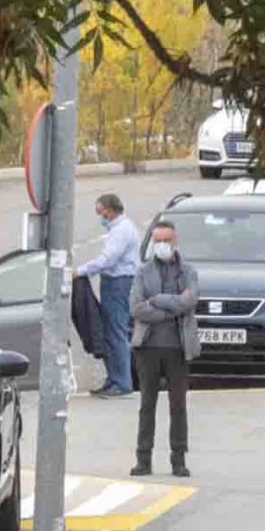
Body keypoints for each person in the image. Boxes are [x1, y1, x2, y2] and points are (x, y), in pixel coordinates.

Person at [131, 219, 200, 480]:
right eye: (157, 241)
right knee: (147, 404)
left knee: (178, 406)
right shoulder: (142, 272)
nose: (162, 245)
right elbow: (136, 308)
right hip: (148, 347)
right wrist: (171, 310)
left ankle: (178, 459)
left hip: (178, 348)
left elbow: (190, 300)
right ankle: (143, 459)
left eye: (166, 240)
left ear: (175, 241)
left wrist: (158, 301)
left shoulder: (188, 272)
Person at [79, 193, 141, 397]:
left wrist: (80, 271)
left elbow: (108, 259)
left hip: (118, 283)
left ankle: (122, 382)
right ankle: (113, 379)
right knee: (110, 332)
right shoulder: (117, 229)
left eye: (101, 211)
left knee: (116, 332)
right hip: (113, 282)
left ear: (110, 210)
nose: (100, 216)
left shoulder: (121, 231)